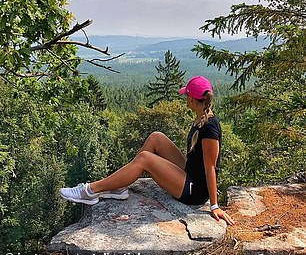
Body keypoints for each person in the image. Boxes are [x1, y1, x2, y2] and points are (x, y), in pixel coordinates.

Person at [60, 75, 235, 226]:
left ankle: (90, 191)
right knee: (156, 137)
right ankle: (119, 187)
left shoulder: (210, 127)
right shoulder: (201, 117)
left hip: (194, 191)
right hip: (190, 175)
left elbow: (210, 167)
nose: (185, 99)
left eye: (186, 95)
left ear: (191, 99)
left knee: (145, 158)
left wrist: (214, 206)